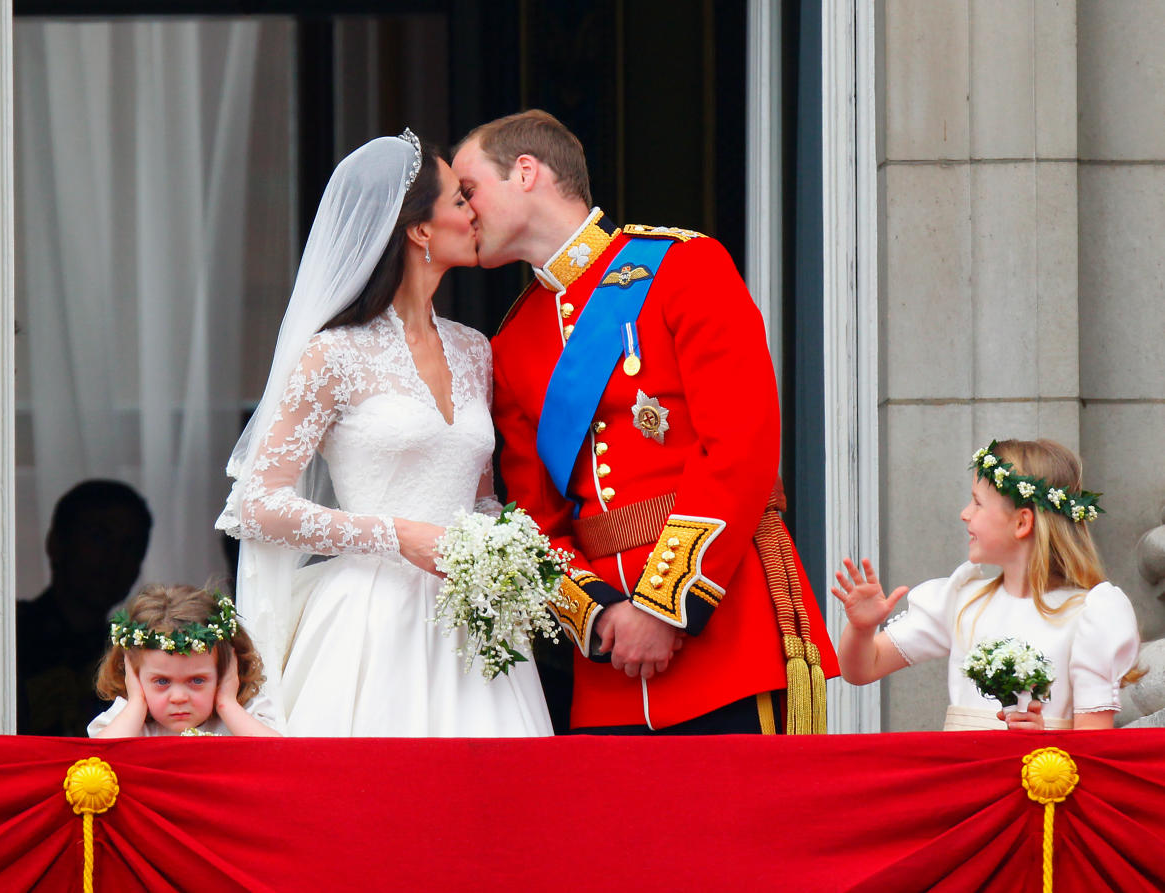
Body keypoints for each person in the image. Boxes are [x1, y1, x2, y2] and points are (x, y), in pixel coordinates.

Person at [451, 110, 839, 734]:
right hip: (611, 668)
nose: (463, 212)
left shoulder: (684, 267)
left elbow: (741, 448)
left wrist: (663, 607)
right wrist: (602, 617)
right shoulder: (514, 342)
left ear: (526, 172)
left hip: (728, 632)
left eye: (469, 190)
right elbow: (533, 520)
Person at [217, 130, 552, 737]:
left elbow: (479, 496)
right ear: (419, 230)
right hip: (370, 620)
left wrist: (505, 554)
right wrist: (396, 535)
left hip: (474, 622)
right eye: (459, 200)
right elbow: (258, 505)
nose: (475, 211)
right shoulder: (331, 356)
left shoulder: (475, 350)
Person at [833, 438, 1141, 731]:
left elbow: (1094, 745)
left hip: (1043, 782)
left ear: (1022, 523)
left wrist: (1045, 737)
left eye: (978, 503)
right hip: (964, 780)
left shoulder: (1090, 614)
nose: (965, 514)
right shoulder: (960, 600)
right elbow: (862, 670)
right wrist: (862, 629)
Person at [17, 479, 152, 736]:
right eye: (100, 537)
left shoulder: (133, 648)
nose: (116, 557)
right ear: (56, 543)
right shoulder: (10, 637)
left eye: (130, 545)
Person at [89, 583, 281, 737]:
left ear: (225, 673)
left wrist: (226, 703)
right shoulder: (129, 721)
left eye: (197, 680)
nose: (179, 697)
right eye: (162, 681)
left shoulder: (244, 715)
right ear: (134, 677)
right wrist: (137, 703)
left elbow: (280, 757)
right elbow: (97, 759)